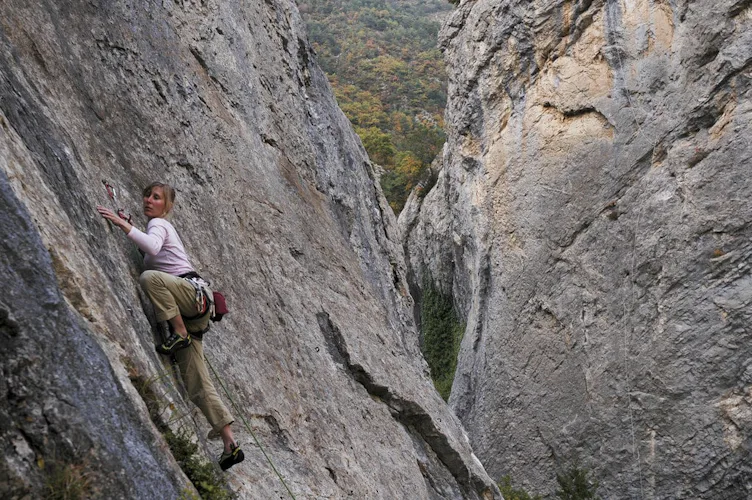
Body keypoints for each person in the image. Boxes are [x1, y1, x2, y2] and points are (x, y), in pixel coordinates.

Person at [97, 181, 244, 471]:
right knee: (197, 381)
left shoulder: (160, 225)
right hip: (194, 309)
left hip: (191, 298)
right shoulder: (154, 228)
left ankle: (178, 333)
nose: (149, 200)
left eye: (156, 197)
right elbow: (150, 253)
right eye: (147, 195)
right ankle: (230, 443)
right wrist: (131, 229)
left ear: (167, 206)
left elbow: (152, 247)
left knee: (149, 279)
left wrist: (121, 224)